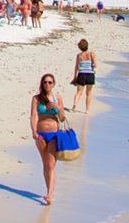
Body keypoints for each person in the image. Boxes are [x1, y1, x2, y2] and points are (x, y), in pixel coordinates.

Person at [30, 73, 72, 206]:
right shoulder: (36, 99)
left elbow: (62, 118)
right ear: (42, 84)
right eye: (45, 82)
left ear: (53, 84)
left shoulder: (57, 98)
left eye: (49, 82)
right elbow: (32, 116)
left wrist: (58, 108)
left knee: (51, 165)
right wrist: (34, 131)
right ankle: (48, 189)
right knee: (45, 164)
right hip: (41, 134)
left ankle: (49, 194)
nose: (47, 84)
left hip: (54, 134)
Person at [70, 38, 99, 111]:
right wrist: (92, 65)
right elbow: (95, 65)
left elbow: (76, 66)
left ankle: (75, 103)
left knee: (79, 92)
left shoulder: (79, 55)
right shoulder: (92, 54)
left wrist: (75, 77)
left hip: (81, 74)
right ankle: (87, 110)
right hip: (90, 74)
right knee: (89, 92)